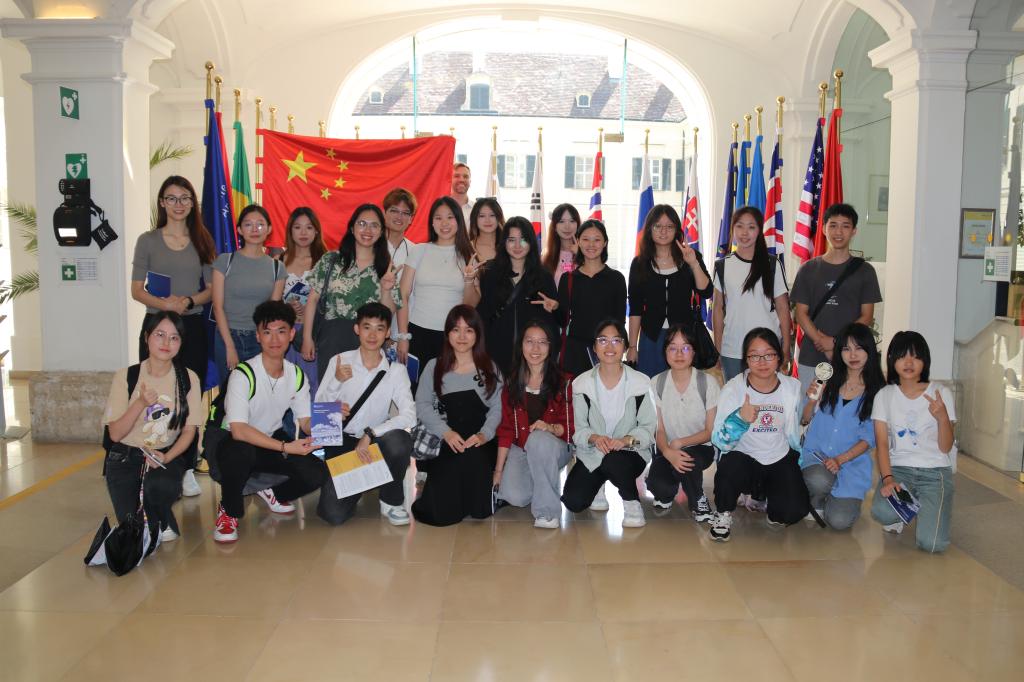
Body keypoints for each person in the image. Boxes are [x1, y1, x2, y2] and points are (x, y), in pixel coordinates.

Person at [212, 301, 324, 544]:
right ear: (258, 336)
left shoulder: (296, 375)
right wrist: (286, 447)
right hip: (233, 442)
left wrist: (329, 420)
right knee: (240, 452)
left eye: (281, 331)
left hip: (270, 440)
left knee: (316, 473)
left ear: (292, 334)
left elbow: (305, 421)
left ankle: (273, 493)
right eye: (267, 332)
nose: (274, 339)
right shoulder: (243, 374)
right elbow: (239, 430)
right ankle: (228, 510)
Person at [131, 175, 215, 497]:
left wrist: (188, 301)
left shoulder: (202, 240)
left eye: (184, 198)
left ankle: (186, 466)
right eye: (171, 198)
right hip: (156, 327)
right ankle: (153, 459)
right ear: (162, 203)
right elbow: (137, 290)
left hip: (190, 327)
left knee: (188, 397)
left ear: (192, 203)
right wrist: (165, 305)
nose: (178, 204)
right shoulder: (147, 241)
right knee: (157, 395)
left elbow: (211, 289)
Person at [103, 312, 202, 542]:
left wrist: (167, 458)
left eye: (174, 337)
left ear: (181, 343)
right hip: (125, 456)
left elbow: (189, 431)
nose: (167, 343)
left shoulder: (188, 378)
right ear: (147, 337)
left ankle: (159, 513)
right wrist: (140, 403)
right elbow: (115, 434)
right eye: (160, 335)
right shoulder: (126, 376)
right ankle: (155, 518)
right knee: (132, 531)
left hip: (164, 455)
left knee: (160, 486)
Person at [313, 303, 416, 526]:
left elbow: (409, 415)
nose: (372, 335)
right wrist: (336, 382)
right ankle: (366, 479)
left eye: (380, 328)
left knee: (400, 440)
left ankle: (391, 501)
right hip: (343, 442)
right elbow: (320, 412)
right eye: (367, 327)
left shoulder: (395, 371)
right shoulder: (339, 361)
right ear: (357, 329)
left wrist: (371, 433)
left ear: (387, 333)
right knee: (333, 514)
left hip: (374, 443)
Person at [709, 328, 808, 542]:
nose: (762, 362)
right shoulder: (733, 389)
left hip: (778, 456)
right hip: (744, 457)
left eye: (769, 355)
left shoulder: (792, 388)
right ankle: (723, 513)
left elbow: (798, 427)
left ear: (779, 357)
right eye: (754, 356)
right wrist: (740, 419)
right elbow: (719, 441)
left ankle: (765, 496)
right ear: (746, 359)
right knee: (729, 468)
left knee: (791, 513)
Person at [561, 319, 657, 528]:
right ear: (594, 347)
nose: (609, 346)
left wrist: (625, 440)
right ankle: (599, 485)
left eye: (616, 340)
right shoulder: (581, 384)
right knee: (573, 501)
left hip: (631, 453)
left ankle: (631, 503)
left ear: (625, 346)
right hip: (594, 453)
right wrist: (594, 438)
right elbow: (578, 429)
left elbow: (649, 429)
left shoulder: (641, 382)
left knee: (614, 461)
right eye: (603, 340)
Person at [412, 305, 503, 526]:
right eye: (456, 329)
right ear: (447, 333)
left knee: (480, 510)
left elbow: (498, 407)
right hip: (447, 440)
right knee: (440, 514)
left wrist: (484, 434)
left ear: (477, 334)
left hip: (480, 441)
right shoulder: (434, 366)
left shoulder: (489, 367)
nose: (462, 336)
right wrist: (446, 433)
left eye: (469, 330)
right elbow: (422, 405)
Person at [870, 331, 955, 553]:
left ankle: (930, 505)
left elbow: (945, 447)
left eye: (916, 357)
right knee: (881, 512)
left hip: (935, 472)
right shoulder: (884, 395)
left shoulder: (941, 393)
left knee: (933, 545)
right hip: (900, 470)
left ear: (925, 361)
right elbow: (881, 444)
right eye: (902, 356)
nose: (909, 363)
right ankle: (905, 511)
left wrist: (943, 418)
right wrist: (888, 479)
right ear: (892, 360)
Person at [301, 204, 399, 383]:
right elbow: (312, 300)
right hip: (332, 338)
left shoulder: (386, 267)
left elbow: (388, 312)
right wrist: (307, 338)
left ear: (381, 232)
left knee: (364, 393)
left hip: (369, 341)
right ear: (352, 228)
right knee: (331, 392)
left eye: (374, 225)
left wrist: (386, 289)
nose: (367, 230)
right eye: (362, 223)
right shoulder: (331, 260)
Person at [791, 203, 882, 394]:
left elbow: (866, 316)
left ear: (854, 231)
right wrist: (822, 341)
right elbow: (800, 314)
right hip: (812, 357)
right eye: (833, 225)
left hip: (852, 358)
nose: (838, 232)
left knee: (847, 407)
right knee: (809, 408)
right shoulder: (808, 269)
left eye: (845, 226)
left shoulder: (865, 271)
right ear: (824, 229)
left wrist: (835, 343)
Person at [800, 322, 883, 530]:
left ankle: (836, 498)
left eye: (859, 348)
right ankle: (818, 498)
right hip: (817, 457)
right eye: (846, 349)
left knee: (839, 521)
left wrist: (840, 460)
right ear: (839, 352)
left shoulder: (877, 392)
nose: (852, 355)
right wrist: (811, 400)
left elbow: (868, 439)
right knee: (819, 480)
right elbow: (804, 419)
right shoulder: (827, 380)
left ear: (869, 351)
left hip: (851, 466)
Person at [494, 320, 574, 528]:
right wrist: (498, 472)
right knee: (515, 496)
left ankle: (547, 513)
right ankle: (542, 473)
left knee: (539, 439)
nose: (535, 348)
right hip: (522, 448)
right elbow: (506, 430)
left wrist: (550, 428)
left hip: (556, 446)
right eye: (529, 341)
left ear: (551, 346)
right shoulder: (511, 383)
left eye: (542, 342)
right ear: (521, 345)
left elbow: (571, 427)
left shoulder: (565, 381)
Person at [645, 323, 720, 523]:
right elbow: (659, 429)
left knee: (688, 459)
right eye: (673, 348)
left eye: (685, 348)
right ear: (665, 352)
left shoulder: (707, 382)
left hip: (701, 447)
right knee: (659, 487)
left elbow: (710, 431)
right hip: (667, 448)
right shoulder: (656, 382)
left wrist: (680, 443)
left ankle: (698, 501)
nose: (679, 354)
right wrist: (668, 451)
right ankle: (669, 484)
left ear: (694, 352)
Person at [628, 204, 713, 377]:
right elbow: (635, 309)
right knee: (650, 386)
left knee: (682, 386)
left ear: (676, 230)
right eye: (658, 226)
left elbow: (706, 292)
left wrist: (693, 264)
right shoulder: (639, 263)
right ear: (650, 229)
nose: (663, 231)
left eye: (669, 226)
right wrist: (632, 346)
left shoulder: (690, 256)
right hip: (651, 338)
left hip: (683, 339)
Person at [469, 217, 559, 375]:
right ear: (504, 242)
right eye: (511, 240)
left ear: (531, 242)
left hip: (532, 359)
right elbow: (482, 314)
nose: (517, 246)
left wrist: (555, 308)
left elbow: (554, 324)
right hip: (495, 355)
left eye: (523, 240)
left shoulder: (543, 277)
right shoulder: (490, 273)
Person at [713, 206, 792, 382]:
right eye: (739, 226)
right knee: (736, 398)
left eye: (751, 227)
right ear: (732, 229)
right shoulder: (722, 265)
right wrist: (718, 348)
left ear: (759, 230)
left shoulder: (773, 264)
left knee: (768, 397)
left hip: (767, 350)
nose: (744, 233)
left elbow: (783, 308)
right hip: (732, 349)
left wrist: (785, 347)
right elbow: (717, 308)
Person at [396, 196, 475, 371]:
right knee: (415, 386)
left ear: (459, 221)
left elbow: (471, 305)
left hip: (454, 336)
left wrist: (469, 281)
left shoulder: (469, 256)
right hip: (417, 332)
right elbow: (403, 294)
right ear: (432, 223)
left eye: (450, 217)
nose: (444, 223)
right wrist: (403, 336)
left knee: (447, 386)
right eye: (438, 218)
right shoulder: (419, 250)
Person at [212, 204, 287, 384]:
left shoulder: (277, 267)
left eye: (260, 224)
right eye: (248, 224)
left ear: (269, 229)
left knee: (259, 393)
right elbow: (217, 307)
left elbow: (271, 312)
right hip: (227, 337)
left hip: (259, 339)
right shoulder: (225, 261)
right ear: (239, 230)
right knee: (229, 393)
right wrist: (230, 346)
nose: (254, 229)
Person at [556, 219, 627, 377]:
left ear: (605, 243)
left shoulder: (616, 279)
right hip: (576, 352)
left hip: (606, 350)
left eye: (597, 240)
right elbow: (562, 321)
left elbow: (620, 322)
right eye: (586, 239)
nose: (591, 245)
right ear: (578, 242)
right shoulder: (568, 279)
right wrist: (554, 307)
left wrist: (618, 348)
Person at [282, 207, 327, 398]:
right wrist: (286, 309)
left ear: (316, 231)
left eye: (309, 227)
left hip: (316, 333)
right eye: (297, 227)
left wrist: (311, 308)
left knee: (314, 385)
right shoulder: (279, 260)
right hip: (286, 334)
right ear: (290, 231)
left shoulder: (326, 261)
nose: (303, 232)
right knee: (287, 387)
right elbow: (271, 301)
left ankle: (315, 419)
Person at [382, 188, 417, 339]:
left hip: (403, 331)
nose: (399, 217)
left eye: (405, 213)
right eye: (394, 210)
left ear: (411, 219)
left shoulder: (416, 251)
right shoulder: (371, 246)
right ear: (384, 213)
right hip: (372, 329)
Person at [540, 203, 581, 289]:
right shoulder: (546, 257)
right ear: (554, 226)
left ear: (578, 224)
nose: (567, 226)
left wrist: (581, 255)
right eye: (561, 221)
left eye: (572, 221)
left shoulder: (586, 255)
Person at [468, 197, 504, 266]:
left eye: (492, 215)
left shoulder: (509, 242)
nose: (487, 220)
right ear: (474, 219)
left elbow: (524, 242)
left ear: (499, 217)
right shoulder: (468, 248)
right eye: (482, 216)